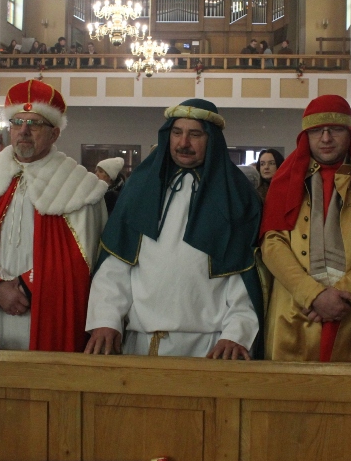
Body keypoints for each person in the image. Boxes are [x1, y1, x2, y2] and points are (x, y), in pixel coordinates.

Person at [85, 99, 263, 359]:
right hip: (141, 343)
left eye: (195, 134)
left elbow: (245, 275)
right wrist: (106, 318)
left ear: (212, 139)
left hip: (213, 346)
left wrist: (238, 333)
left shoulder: (235, 196)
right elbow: (116, 262)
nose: (183, 143)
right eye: (177, 133)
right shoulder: (140, 188)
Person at [0, 80, 108, 351]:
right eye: (17, 122)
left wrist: (26, 287)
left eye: (35, 124)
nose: (24, 131)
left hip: (46, 313)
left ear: (54, 133)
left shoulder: (80, 187)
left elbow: (84, 262)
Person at [260, 96, 351, 362]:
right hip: (297, 307)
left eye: (335, 129)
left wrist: (344, 294)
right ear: (306, 135)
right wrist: (312, 295)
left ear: (349, 133)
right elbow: (272, 242)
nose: (325, 138)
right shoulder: (285, 178)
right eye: (317, 130)